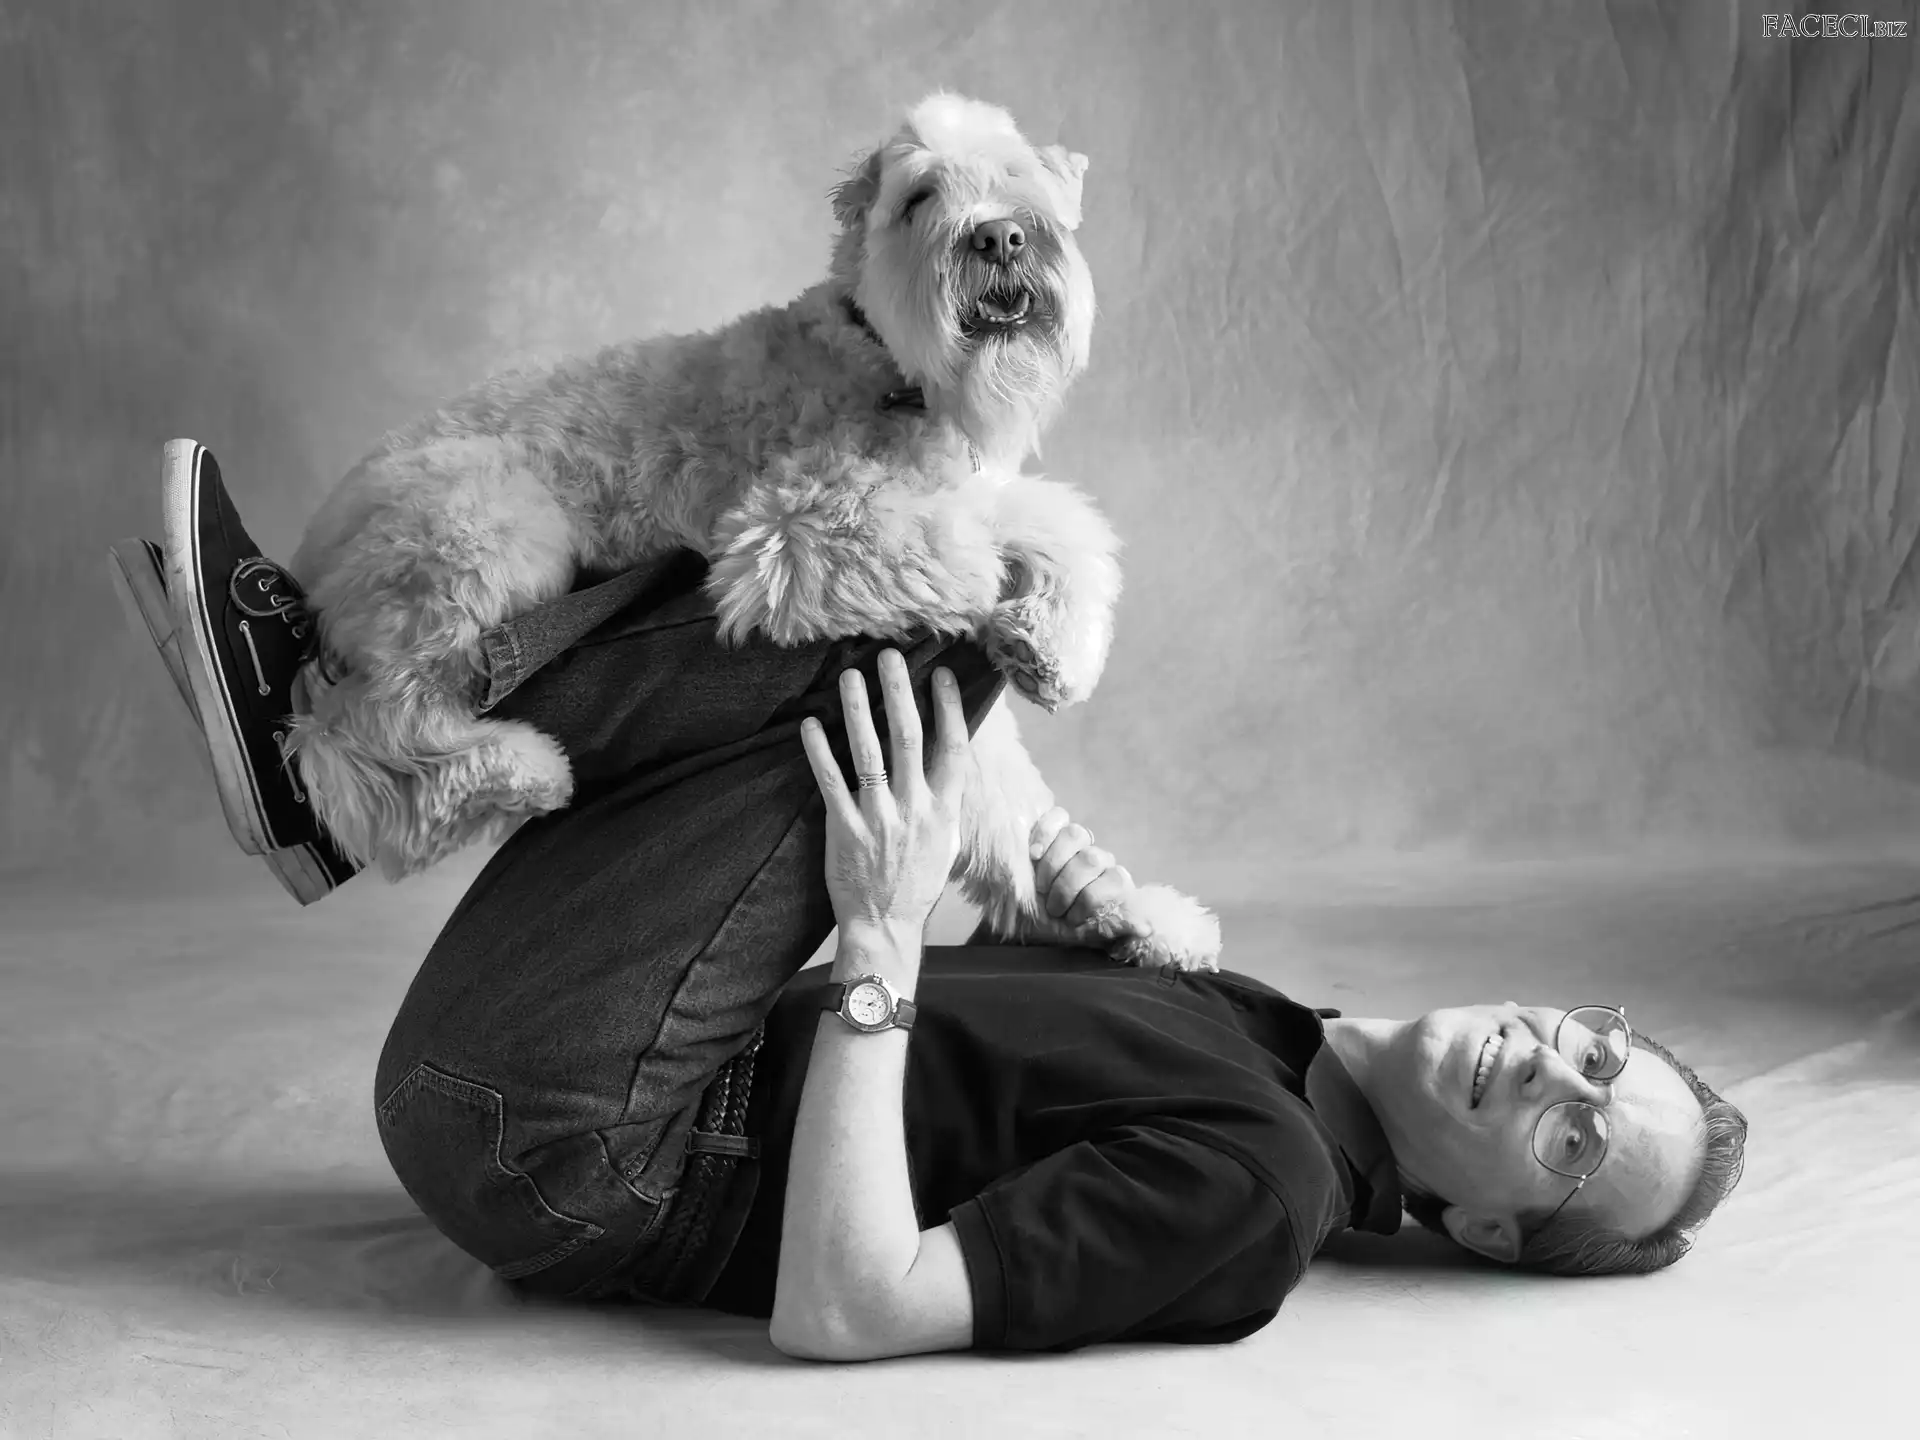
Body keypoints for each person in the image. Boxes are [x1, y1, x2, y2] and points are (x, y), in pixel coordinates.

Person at [109, 448, 1748, 1360]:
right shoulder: (1262, 1031)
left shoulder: (1260, 1195)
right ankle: (339, 734)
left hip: (581, 1152)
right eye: (1600, 1053)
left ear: (1484, 1229)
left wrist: (883, 941)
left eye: (1580, 1142)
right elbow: (970, 911)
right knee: (882, 557)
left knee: (936, 617)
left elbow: (854, 1305)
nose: (1561, 1073)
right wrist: (1048, 881)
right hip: (578, 1083)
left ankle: (336, 741)